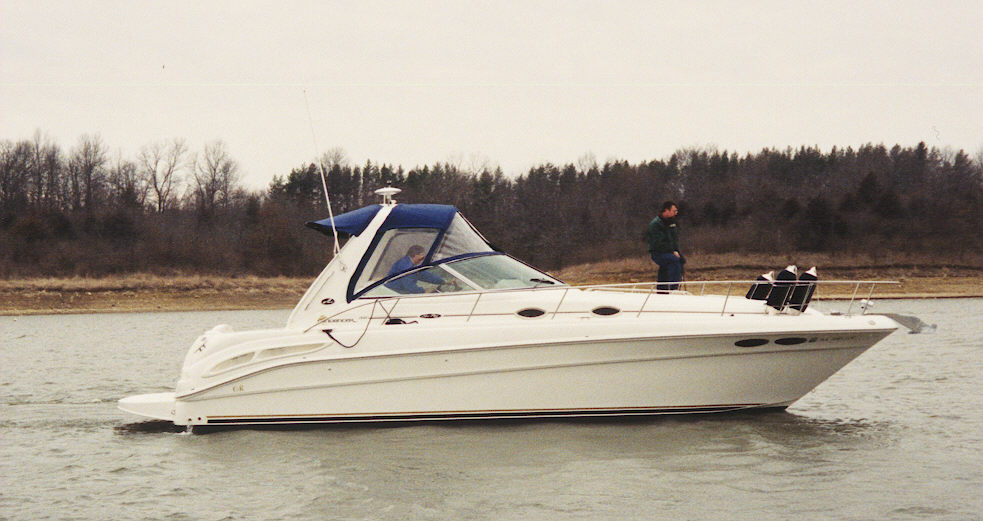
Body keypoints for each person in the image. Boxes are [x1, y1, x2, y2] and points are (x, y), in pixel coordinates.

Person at [646, 201, 686, 291]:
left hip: (670, 252)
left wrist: (677, 252)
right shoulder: (655, 225)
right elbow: (658, 243)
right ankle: (673, 289)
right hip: (658, 252)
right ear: (666, 210)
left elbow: (674, 240)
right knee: (673, 261)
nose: (676, 213)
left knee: (677, 261)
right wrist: (672, 251)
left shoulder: (672, 223)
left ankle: (662, 290)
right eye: (674, 211)